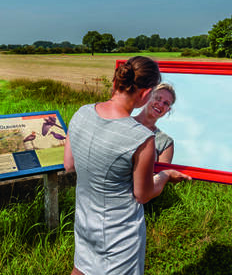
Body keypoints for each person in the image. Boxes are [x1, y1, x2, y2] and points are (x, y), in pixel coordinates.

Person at [64, 56, 189, 274]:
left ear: (116, 82)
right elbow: (143, 194)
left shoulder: (81, 112)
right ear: (146, 94)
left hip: (84, 219)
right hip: (119, 233)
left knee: (81, 269)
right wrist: (166, 176)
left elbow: (69, 165)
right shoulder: (141, 138)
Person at [133, 83, 176, 163]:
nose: (160, 104)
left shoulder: (165, 142)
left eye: (166, 103)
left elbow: (161, 174)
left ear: (168, 110)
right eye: (157, 98)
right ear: (148, 96)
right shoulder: (124, 121)